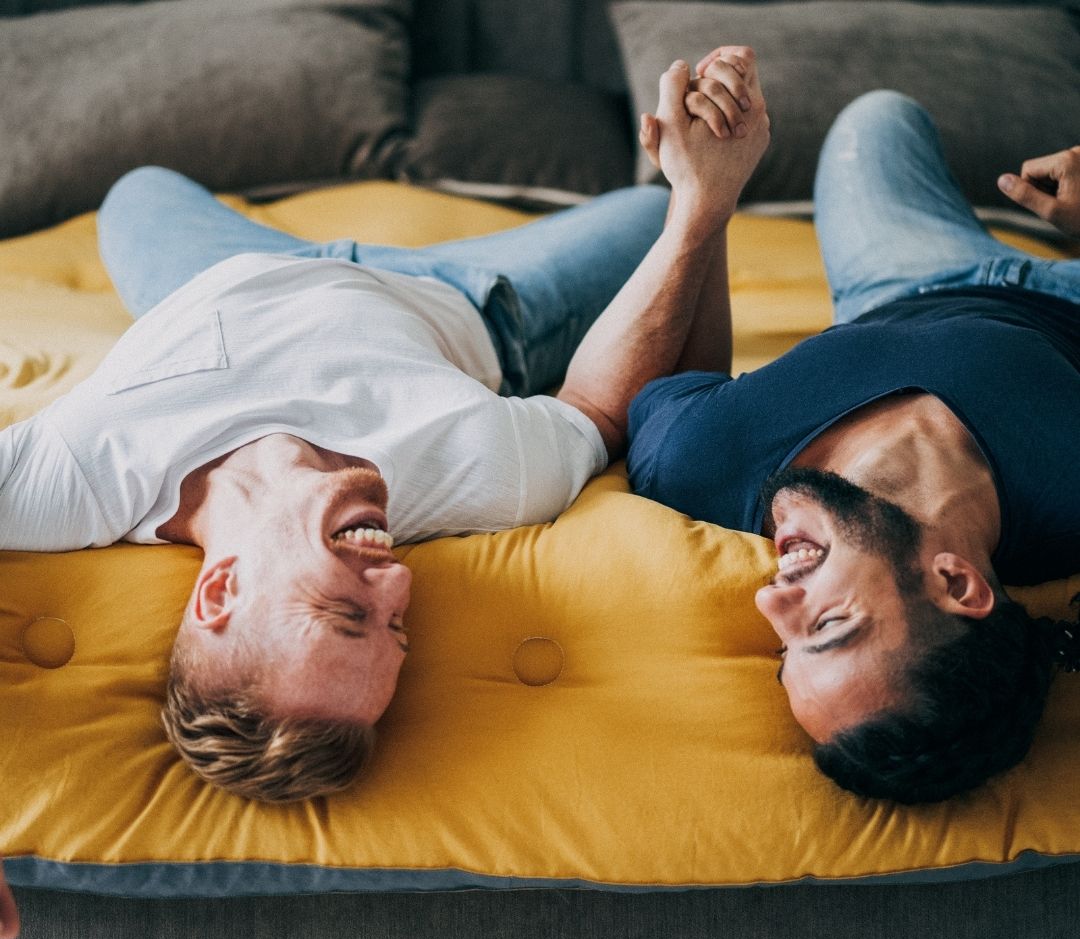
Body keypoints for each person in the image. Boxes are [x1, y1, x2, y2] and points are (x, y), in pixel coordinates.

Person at [0, 46, 769, 822]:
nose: (399, 582)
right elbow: (594, 414)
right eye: (395, 627)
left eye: (347, 613)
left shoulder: (80, 477)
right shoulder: (480, 479)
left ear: (222, 589)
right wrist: (700, 207)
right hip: (474, 300)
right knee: (657, 217)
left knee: (138, 189)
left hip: (212, 275)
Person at [629, 80, 1080, 804]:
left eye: (785, 647)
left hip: (900, 284)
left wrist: (704, 193)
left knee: (877, 114)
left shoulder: (703, 466)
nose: (772, 603)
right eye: (829, 624)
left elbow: (672, 376)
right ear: (955, 582)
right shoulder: (1069, 498)